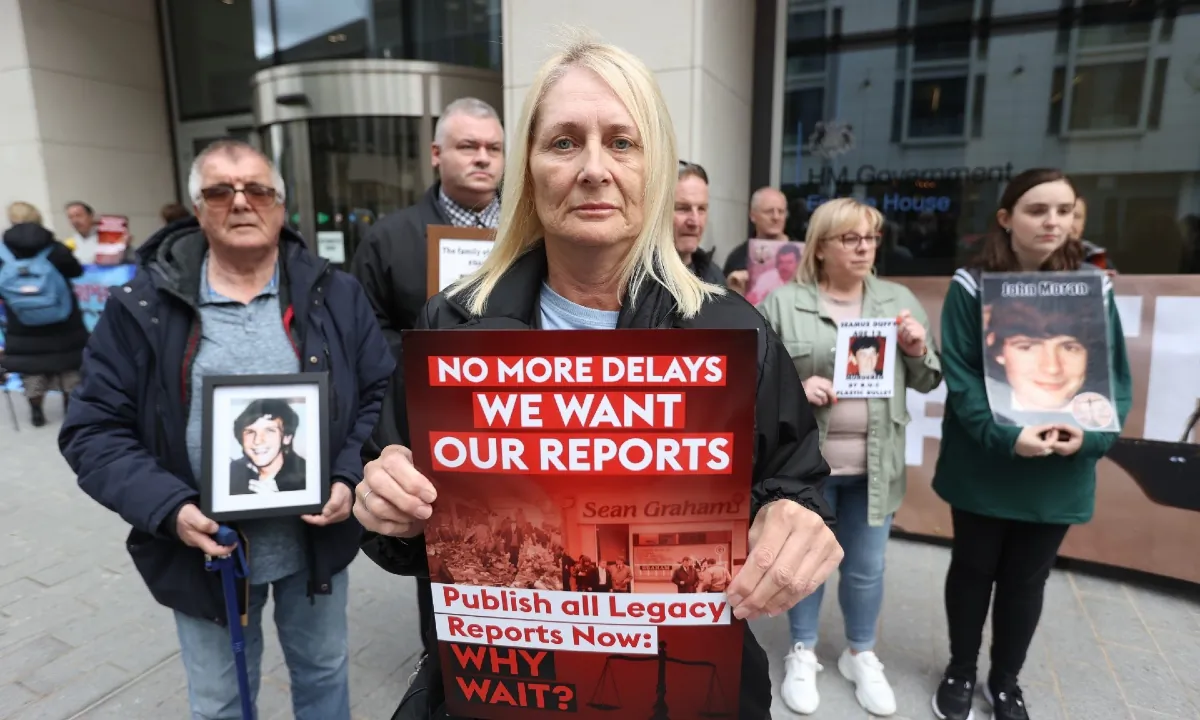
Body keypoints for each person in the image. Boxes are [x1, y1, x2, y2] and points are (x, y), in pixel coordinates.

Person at [352, 35, 842, 719]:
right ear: (528, 166)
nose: (592, 168)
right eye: (563, 142)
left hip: (677, 692)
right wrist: (386, 506)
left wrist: (800, 524)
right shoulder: (455, 323)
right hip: (501, 688)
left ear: (656, 167)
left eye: (621, 142)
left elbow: (796, 488)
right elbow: (402, 518)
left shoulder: (731, 331)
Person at [58, 139, 394, 720]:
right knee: (218, 703)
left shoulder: (335, 295)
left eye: (257, 189)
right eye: (221, 190)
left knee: (324, 678)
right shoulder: (142, 305)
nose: (241, 202)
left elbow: (377, 396)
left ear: (281, 205)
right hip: (203, 553)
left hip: (313, 546)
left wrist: (347, 476)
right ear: (198, 207)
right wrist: (168, 507)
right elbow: (92, 429)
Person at [930, 168, 1132, 720]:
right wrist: (1005, 435)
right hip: (985, 464)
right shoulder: (970, 285)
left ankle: (1005, 680)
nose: (1052, 222)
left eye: (1064, 211)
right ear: (1006, 218)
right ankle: (960, 667)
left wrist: (1089, 437)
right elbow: (963, 374)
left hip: (1057, 470)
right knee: (973, 570)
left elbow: (1113, 378)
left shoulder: (1095, 287)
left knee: (1026, 580)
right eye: (1037, 210)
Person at [758, 197, 943, 717]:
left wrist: (913, 349)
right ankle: (804, 650)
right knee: (804, 567)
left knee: (866, 568)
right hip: (806, 469)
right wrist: (799, 384)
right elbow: (760, 383)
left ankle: (861, 653)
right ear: (820, 248)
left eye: (872, 238)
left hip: (873, 469)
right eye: (851, 239)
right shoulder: (782, 303)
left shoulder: (895, 300)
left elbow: (930, 378)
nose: (865, 248)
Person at [350, 97, 505, 358]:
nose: (483, 158)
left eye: (494, 148)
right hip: (422, 390)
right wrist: (424, 358)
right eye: (468, 147)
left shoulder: (533, 234)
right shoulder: (388, 239)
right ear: (436, 154)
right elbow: (365, 328)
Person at [0, 201, 89, 427]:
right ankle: (71, 408)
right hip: (64, 319)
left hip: (22, 322)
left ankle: (36, 410)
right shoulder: (55, 248)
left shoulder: (3, 251)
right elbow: (75, 271)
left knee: (32, 368)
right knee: (69, 365)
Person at [724, 186, 794, 293]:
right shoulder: (738, 257)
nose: (776, 217)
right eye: (769, 211)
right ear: (752, 215)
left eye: (781, 212)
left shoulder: (803, 253)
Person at [229, 399, 307, 495]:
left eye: (269, 431)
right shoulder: (230, 474)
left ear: (286, 437)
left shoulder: (307, 478)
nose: (257, 441)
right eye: (250, 432)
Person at [674, 161, 724, 284]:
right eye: (683, 208)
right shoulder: (632, 281)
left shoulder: (715, 277)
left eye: (701, 209)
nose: (695, 221)